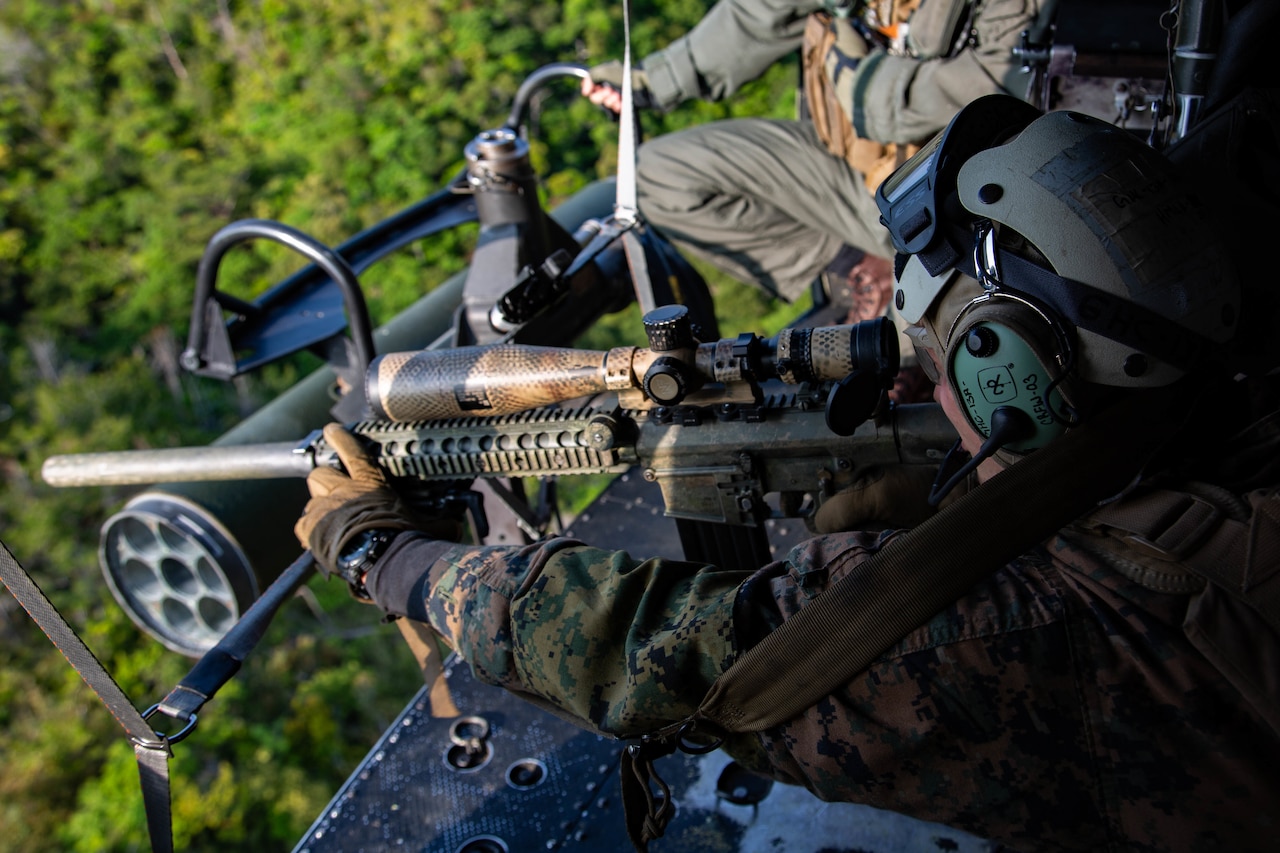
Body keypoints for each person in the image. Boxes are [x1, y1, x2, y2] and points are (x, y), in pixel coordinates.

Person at [294, 102, 1280, 852]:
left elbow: (673, 660)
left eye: (933, 357)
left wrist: (390, 555)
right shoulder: (1221, 409)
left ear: (1008, 380)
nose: (920, 379)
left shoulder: (1039, 633)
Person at [580, 0, 1053, 312]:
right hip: (858, 168)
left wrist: (870, 96)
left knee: (941, 344)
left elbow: (1008, 81)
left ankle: (909, 317)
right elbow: (757, 16)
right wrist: (648, 81)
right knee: (655, 176)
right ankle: (862, 273)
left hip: (963, 196)